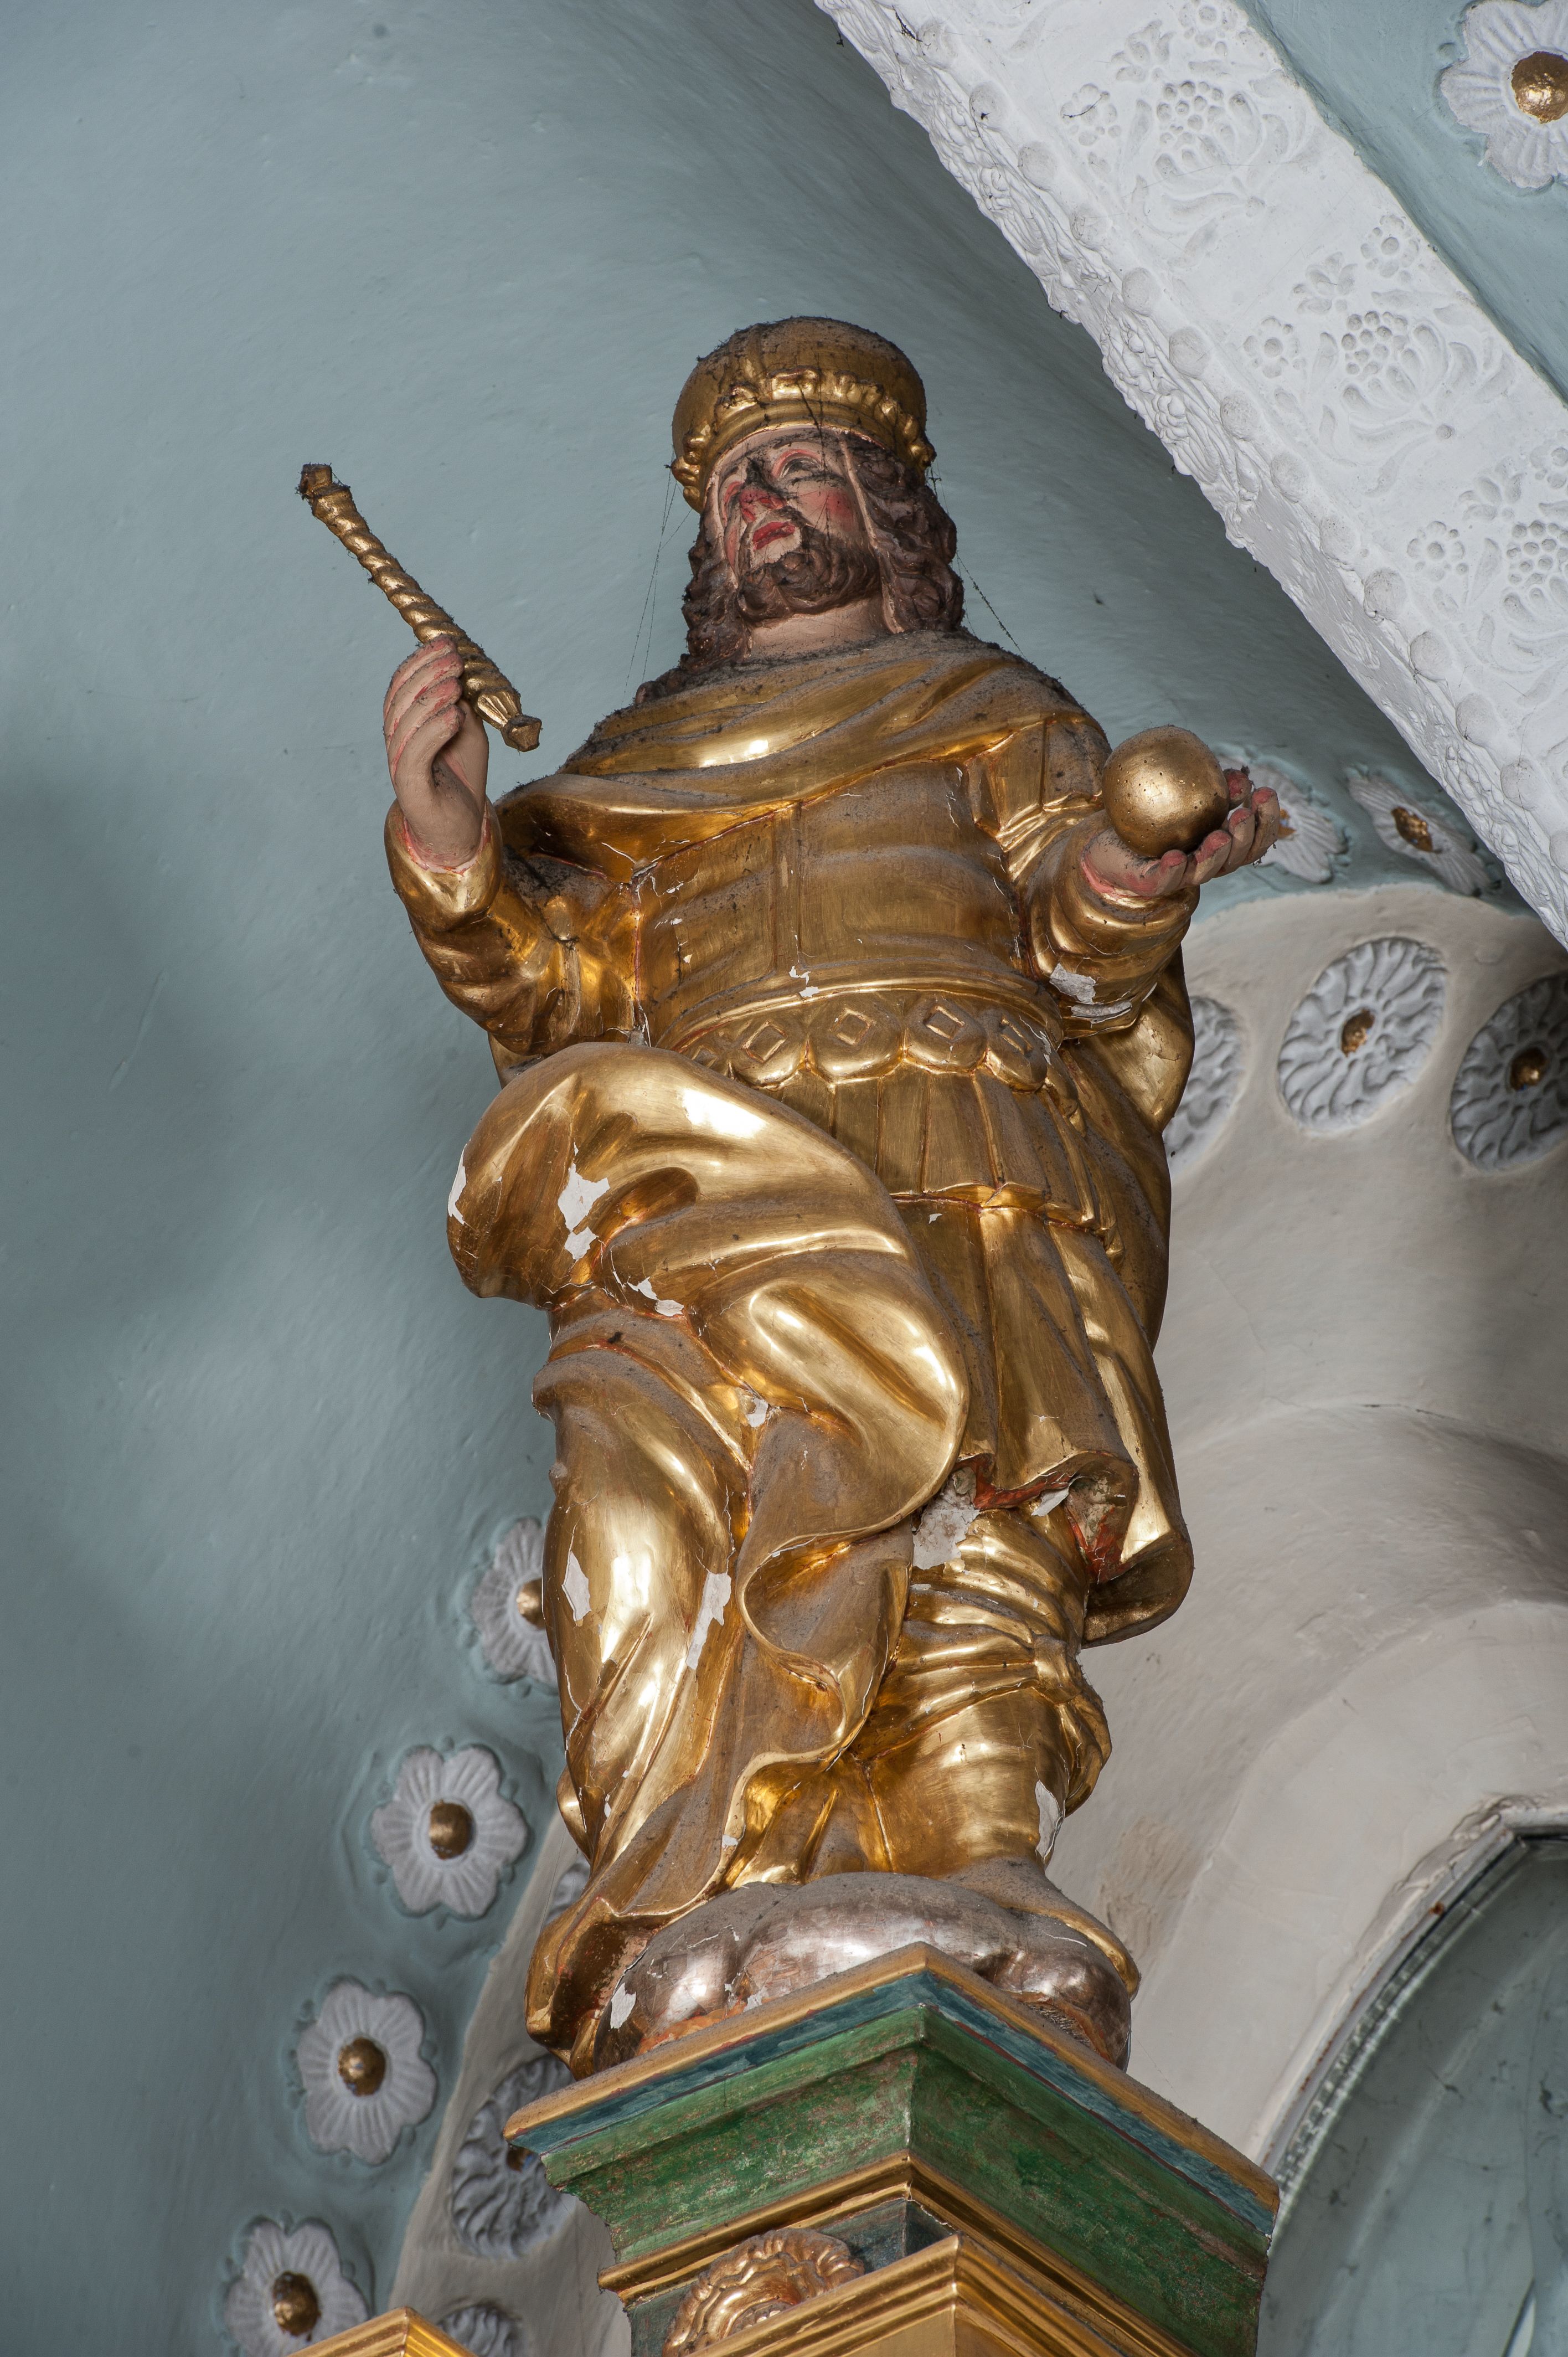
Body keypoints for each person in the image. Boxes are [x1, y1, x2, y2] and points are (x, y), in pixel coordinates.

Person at [378, 320, 1280, 2075]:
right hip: (701, 1173)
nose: (760, 506)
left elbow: (1076, 942)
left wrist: (1127, 873)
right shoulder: (634, 765)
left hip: (954, 1123)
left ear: (889, 506)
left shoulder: (996, 712)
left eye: (796, 469)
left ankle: (984, 1852)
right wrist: (452, 840)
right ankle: (691, 1887)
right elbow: (556, 992)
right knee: (645, 1520)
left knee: (973, 1489)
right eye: (732, 487)